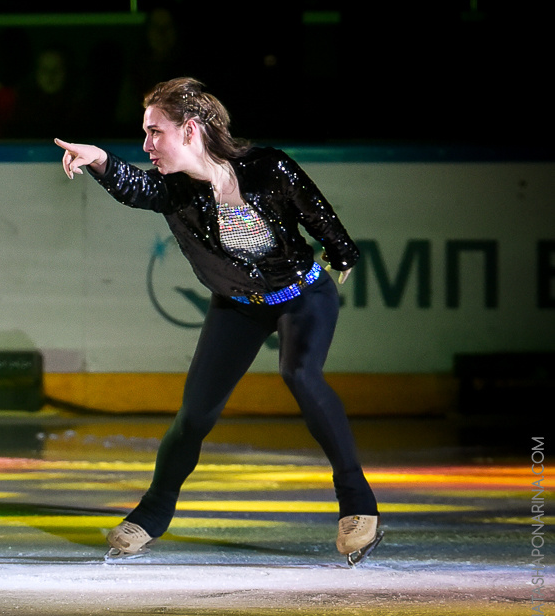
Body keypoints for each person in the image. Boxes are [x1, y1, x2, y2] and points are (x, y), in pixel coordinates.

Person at [54, 77, 382, 566]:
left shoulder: (268, 167)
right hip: (237, 306)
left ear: (190, 130)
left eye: (153, 132)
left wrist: (341, 255)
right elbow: (135, 186)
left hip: (302, 295)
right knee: (195, 415)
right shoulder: (174, 191)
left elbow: (318, 215)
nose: (146, 146)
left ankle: (359, 505)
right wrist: (100, 159)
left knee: (299, 374)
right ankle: (153, 512)